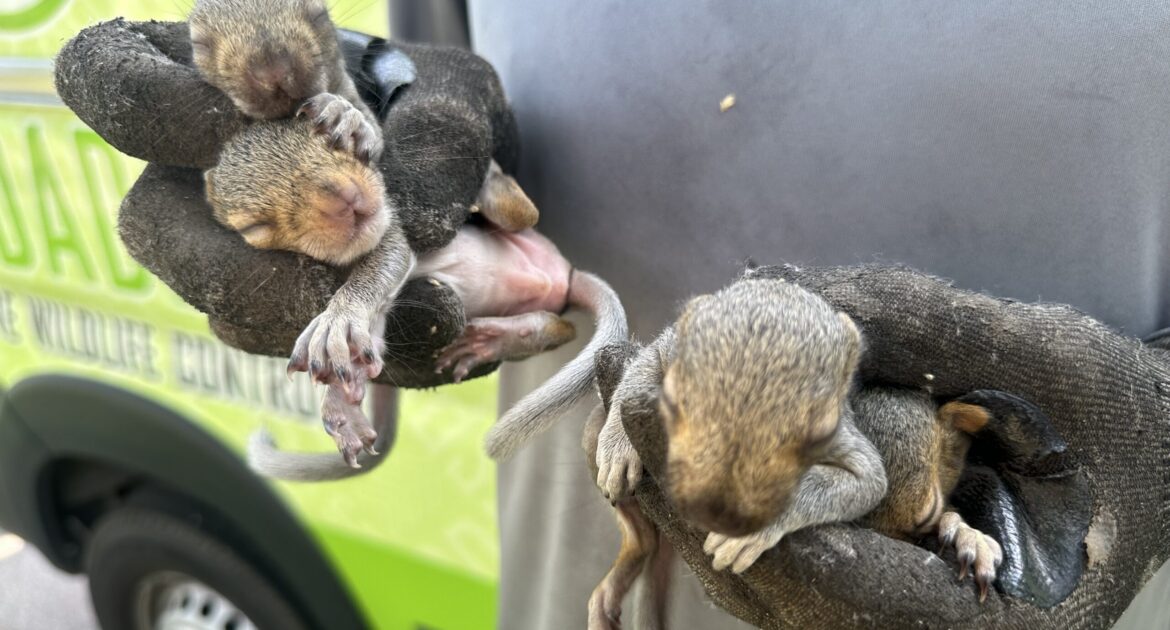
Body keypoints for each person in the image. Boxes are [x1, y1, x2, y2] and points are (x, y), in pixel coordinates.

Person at [464, 1, 1170, 628]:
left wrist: (1156, 430)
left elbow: (862, 474)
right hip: (561, 566)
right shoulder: (692, 341)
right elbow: (651, 360)